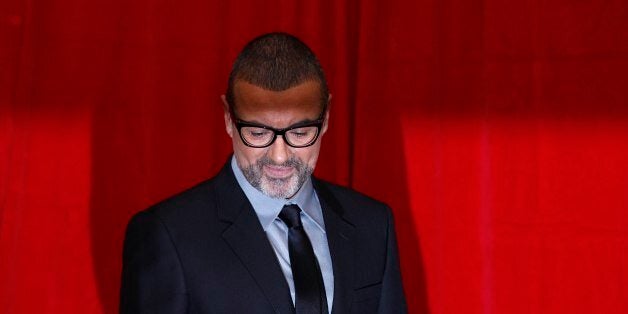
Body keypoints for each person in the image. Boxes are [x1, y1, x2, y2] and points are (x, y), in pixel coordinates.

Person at [120, 32, 407, 314]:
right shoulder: (168, 234)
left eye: (300, 132)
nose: (279, 156)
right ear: (228, 119)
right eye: (257, 133)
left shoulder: (372, 224)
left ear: (327, 118)